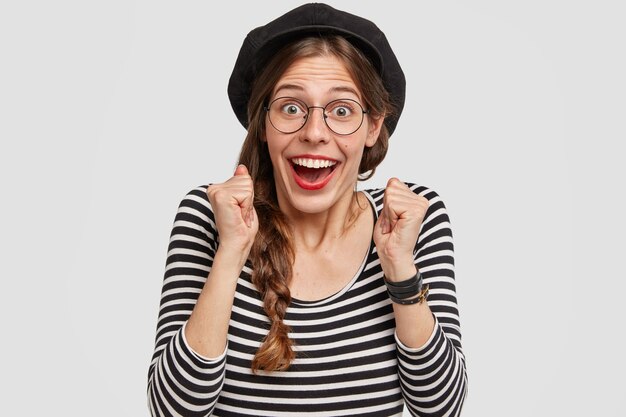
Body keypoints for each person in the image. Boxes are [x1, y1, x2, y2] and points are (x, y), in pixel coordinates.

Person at [147, 3, 467, 416]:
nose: (314, 133)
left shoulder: (412, 221)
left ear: (373, 126)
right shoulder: (209, 215)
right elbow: (173, 409)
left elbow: (440, 407)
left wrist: (399, 267)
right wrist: (230, 253)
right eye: (291, 108)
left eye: (341, 111)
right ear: (263, 123)